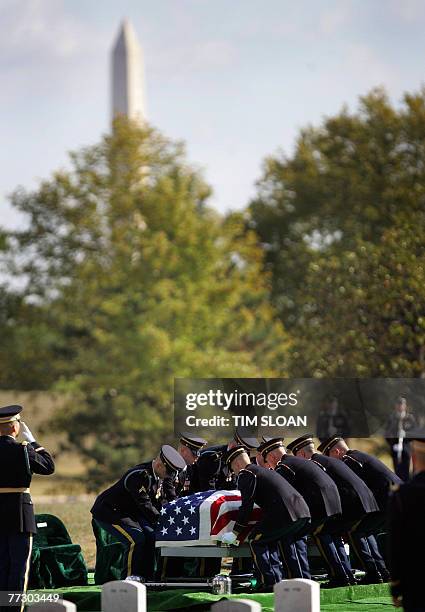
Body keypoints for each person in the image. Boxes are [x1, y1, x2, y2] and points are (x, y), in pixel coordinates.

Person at [261, 436, 353, 588]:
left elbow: (282, 494)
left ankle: (301, 578)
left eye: (267, 461)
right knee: (330, 536)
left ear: (271, 457)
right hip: (333, 504)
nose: (269, 466)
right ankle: (345, 574)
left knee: (291, 535)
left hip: (319, 507)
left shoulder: (284, 466)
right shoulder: (299, 462)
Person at [220, 445, 310, 592]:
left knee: (256, 539)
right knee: (270, 539)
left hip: (285, 514)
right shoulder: (261, 471)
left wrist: (235, 532)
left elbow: (246, 506)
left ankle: (268, 583)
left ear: (236, 464)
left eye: (232, 469)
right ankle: (278, 581)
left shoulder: (246, 473)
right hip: (301, 511)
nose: (234, 473)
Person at [91, 445, 185, 581]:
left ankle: (147, 578)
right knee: (135, 540)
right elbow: (145, 504)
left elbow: (160, 501)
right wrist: (162, 520)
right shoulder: (139, 475)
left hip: (130, 513)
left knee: (151, 537)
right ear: (159, 465)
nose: (169, 476)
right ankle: (129, 580)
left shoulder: (158, 475)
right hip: (110, 512)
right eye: (168, 472)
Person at [318, 436, 400, 583]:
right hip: (392, 499)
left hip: (385, 500)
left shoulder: (350, 461)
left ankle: (374, 572)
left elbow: (353, 489)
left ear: (336, 451)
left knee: (355, 531)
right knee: (366, 530)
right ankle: (381, 571)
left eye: (329, 457)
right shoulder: (359, 456)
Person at [0, 404, 55, 612]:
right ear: (15, 428)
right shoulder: (23, 449)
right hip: (19, 513)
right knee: (18, 567)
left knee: (2, 564)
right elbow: (49, 467)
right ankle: (13, 609)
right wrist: (33, 442)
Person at [388, 428, 425, 611]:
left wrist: (396, 586)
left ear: (414, 459)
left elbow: (397, 545)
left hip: (417, 584)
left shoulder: (403, 496)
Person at [384, 396, 417, 481]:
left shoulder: (410, 418)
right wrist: (392, 443)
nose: (400, 406)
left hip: (406, 448)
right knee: (397, 469)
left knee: (406, 469)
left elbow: (414, 433)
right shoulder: (392, 418)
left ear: (405, 406)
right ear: (396, 406)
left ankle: (406, 486)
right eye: (398, 404)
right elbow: (387, 433)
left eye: (402, 404)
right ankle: (398, 486)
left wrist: (406, 435)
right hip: (395, 447)